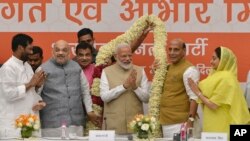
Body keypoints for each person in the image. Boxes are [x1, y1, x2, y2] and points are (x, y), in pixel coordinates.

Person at [40, 40, 98, 137]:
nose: (61, 53)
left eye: (64, 50)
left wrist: (89, 110)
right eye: (57, 50)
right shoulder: (43, 69)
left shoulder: (76, 67)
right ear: (52, 52)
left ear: (69, 52)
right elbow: (36, 93)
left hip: (76, 124)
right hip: (52, 125)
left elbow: (85, 90)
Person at [188, 46, 250, 136]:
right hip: (211, 124)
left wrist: (197, 92)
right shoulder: (215, 76)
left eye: (214, 58)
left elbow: (213, 105)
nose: (211, 62)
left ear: (223, 60)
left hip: (222, 127)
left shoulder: (227, 78)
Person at [0, 33, 46, 137]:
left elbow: (30, 92)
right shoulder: (8, 68)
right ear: (20, 48)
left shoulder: (27, 66)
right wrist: (30, 84)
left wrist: (37, 87)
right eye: (29, 49)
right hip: (13, 125)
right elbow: (9, 94)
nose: (31, 52)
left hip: (29, 121)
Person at [100, 43, 150, 135]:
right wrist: (123, 87)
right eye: (124, 56)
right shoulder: (106, 71)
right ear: (116, 56)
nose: (127, 59)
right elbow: (104, 97)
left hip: (136, 125)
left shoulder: (140, 70)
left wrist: (135, 87)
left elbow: (146, 98)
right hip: (114, 125)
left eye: (130, 55)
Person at [158, 38, 200, 138]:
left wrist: (190, 122)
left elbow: (194, 98)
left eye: (176, 49)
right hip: (165, 121)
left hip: (181, 124)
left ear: (184, 51)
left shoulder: (190, 70)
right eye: (170, 49)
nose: (172, 53)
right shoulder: (168, 67)